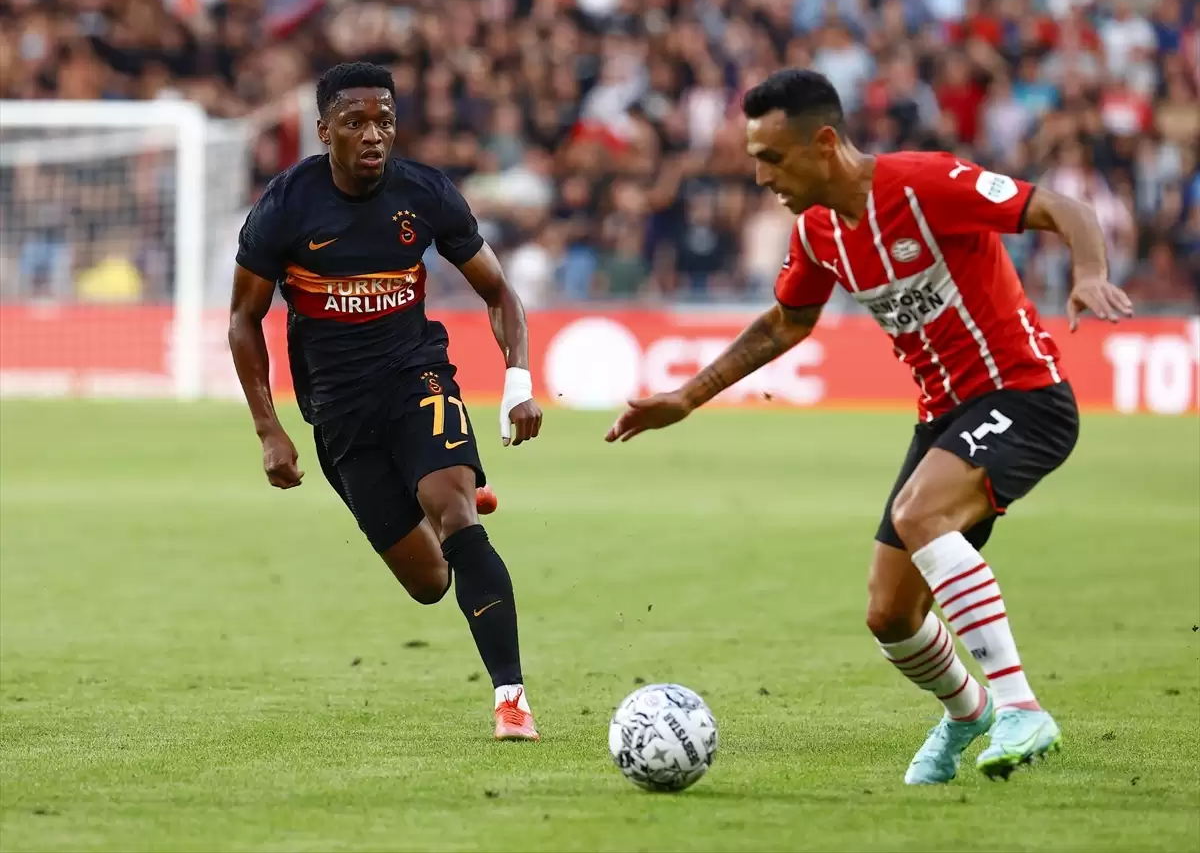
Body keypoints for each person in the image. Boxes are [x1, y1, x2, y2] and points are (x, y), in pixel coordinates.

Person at [605, 69, 1134, 783]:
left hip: (1025, 394)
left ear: (824, 143)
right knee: (890, 614)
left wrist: (1089, 272)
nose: (761, 177)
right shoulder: (818, 231)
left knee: (920, 514)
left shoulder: (925, 185)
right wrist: (686, 397)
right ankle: (969, 711)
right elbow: (786, 323)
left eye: (772, 158)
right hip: (943, 417)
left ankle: (1021, 707)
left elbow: (1063, 207)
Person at [228, 62, 543, 741]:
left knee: (457, 517)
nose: (373, 135)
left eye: (385, 121)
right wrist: (268, 429)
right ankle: (436, 483)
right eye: (355, 123)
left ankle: (511, 700)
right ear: (324, 131)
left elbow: (498, 291)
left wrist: (518, 380)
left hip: (415, 375)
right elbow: (243, 319)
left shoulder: (425, 193)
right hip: (339, 411)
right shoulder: (286, 206)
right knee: (430, 582)